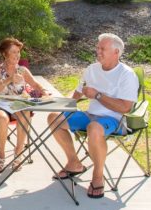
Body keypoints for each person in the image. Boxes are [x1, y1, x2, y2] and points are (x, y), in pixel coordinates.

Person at [47, 33, 138, 198]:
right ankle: (74, 163)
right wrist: (55, 102)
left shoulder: (126, 74)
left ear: (116, 52)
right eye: (98, 48)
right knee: (54, 118)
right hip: (90, 115)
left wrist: (98, 95)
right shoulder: (92, 69)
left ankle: (97, 176)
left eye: (103, 49)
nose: (98, 52)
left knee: (94, 128)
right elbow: (76, 94)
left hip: (113, 120)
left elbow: (125, 107)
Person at [0, 37, 47, 173]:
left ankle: (18, 154)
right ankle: (1, 155)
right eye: (13, 52)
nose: (17, 55)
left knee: (25, 112)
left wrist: (44, 92)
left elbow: (36, 85)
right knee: (2, 118)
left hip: (17, 104)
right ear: (4, 54)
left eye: (18, 52)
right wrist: (9, 79)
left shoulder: (23, 70)